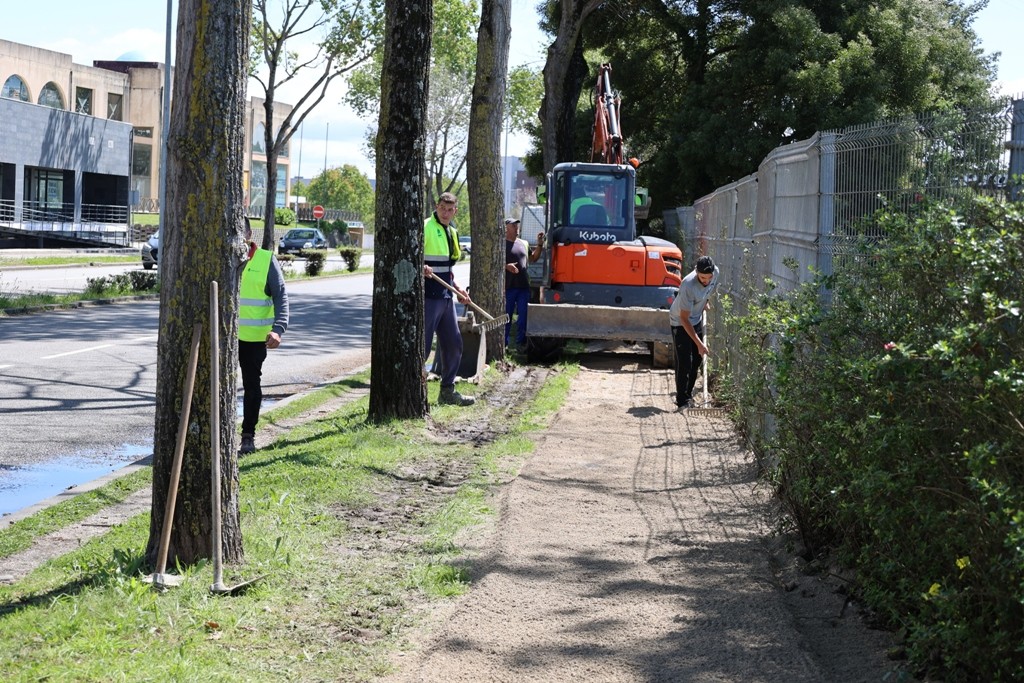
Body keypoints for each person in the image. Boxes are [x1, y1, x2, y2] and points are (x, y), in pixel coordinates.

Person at [238, 217, 289, 454]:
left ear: (249, 234)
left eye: (241, 231)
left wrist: (278, 329)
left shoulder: (266, 259)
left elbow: (280, 296)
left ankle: (248, 434)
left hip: (254, 339)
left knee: (251, 385)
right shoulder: (220, 258)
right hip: (223, 337)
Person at [423, 192, 475, 406]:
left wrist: (458, 290)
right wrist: (421, 267)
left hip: (445, 297)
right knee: (423, 348)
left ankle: (447, 391)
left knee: (454, 344)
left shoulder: (452, 232)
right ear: (437, 206)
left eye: (450, 210)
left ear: (455, 211)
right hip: (427, 297)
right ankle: (416, 390)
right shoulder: (425, 227)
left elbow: (447, 271)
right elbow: (409, 256)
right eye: (442, 208)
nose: (445, 213)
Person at [669, 255, 719, 409]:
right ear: (696, 272)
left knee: (697, 360)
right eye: (702, 278)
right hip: (680, 321)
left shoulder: (715, 273)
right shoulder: (688, 285)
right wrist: (699, 344)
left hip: (696, 318)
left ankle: (688, 395)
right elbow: (684, 319)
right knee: (685, 361)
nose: (706, 281)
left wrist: (705, 302)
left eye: (708, 277)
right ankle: (682, 401)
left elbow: (709, 289)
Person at [503, 217, 544, 348]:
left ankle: (521, 343)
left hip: (523, 287)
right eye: (513, 226)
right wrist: (506, 266)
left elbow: (533, 258)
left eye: (517, 226)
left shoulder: (523, 243)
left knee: (524, 317)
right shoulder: (501, 244)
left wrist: (540, 244)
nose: (517, 228)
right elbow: (494, 263)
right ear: (506, 228)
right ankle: (504, 344)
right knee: (506, 317)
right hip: (507, 287)